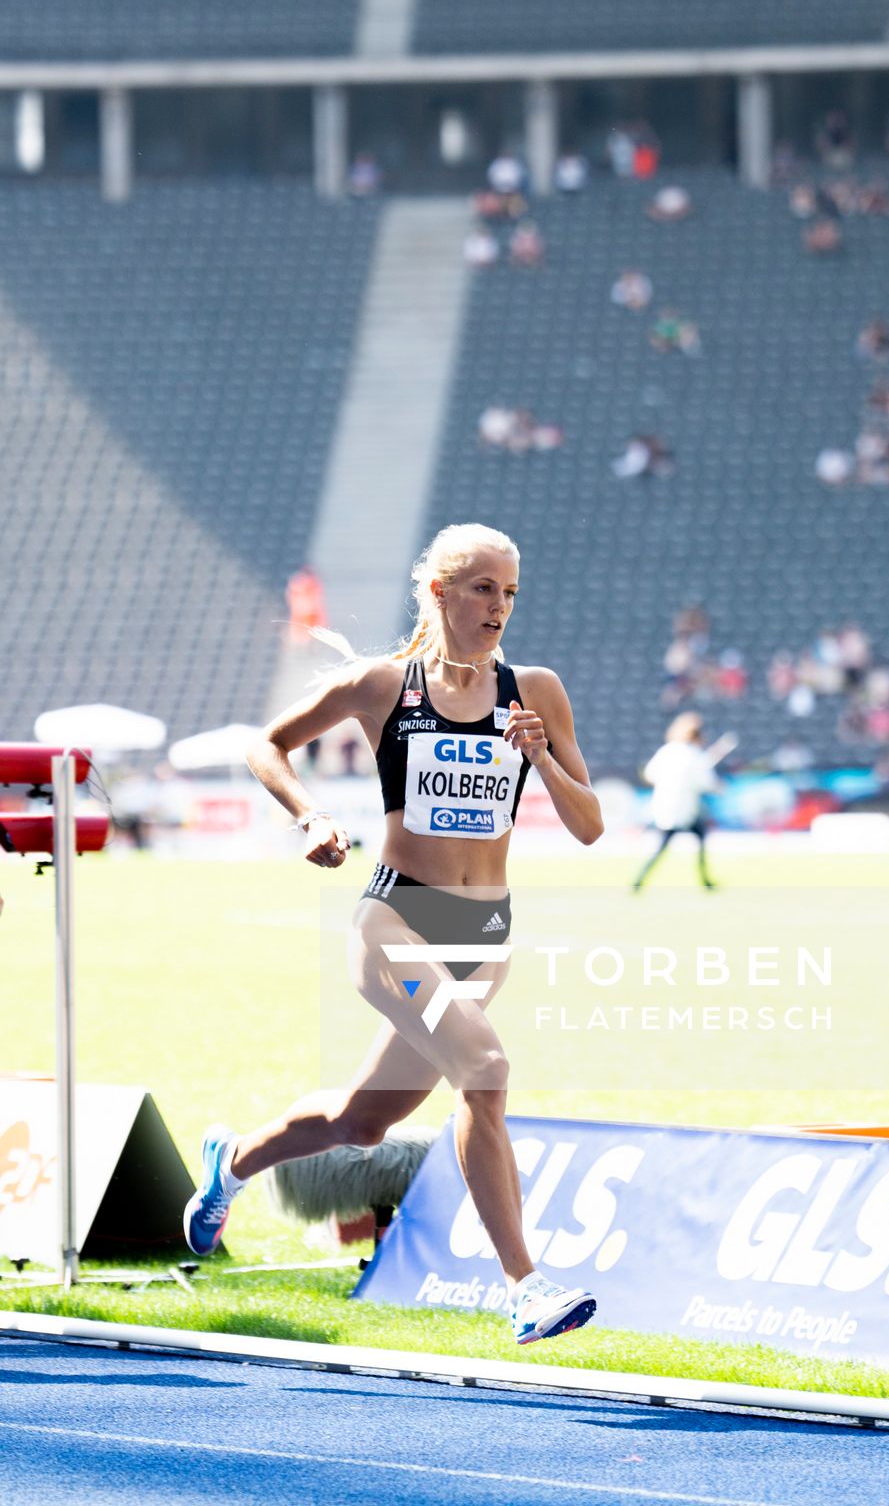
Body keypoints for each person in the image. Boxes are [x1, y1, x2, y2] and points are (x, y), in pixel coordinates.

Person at [183, 525, 604, 1347]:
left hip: (483, 934)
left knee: (360, 1124)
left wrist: (544, 758)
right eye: (484, 589)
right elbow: (264, 743)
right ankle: (525, 1286)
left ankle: (229, 1163)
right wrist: (309, 818)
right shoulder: (384, 685)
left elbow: (589, 826)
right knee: (484, 1070)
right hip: (397, 919)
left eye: (511, 592)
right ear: (440, 591)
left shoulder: (535, 689)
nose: (500, 608)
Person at [632, 714, 734, 893]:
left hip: (665, 808)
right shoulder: (693, 755)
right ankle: (705, 881)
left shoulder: (667, 751)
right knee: (694, 841)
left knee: (663, 847)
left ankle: (639, 882)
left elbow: (650, 774)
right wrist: (720, 788)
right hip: (685, 810)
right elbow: (705, 782)